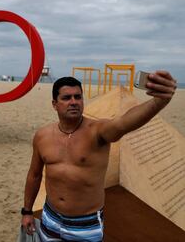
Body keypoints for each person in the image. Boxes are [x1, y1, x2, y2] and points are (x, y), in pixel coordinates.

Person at [21, 71, 177, 242]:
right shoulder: (42, 136)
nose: (73, 102)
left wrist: (158, 102)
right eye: (66, 98)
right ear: (54, 104)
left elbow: (124, 123)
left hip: (85, 224)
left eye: (78, 97)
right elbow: (34, 175)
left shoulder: (97, 131)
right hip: (50, 217)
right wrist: (27, 212)